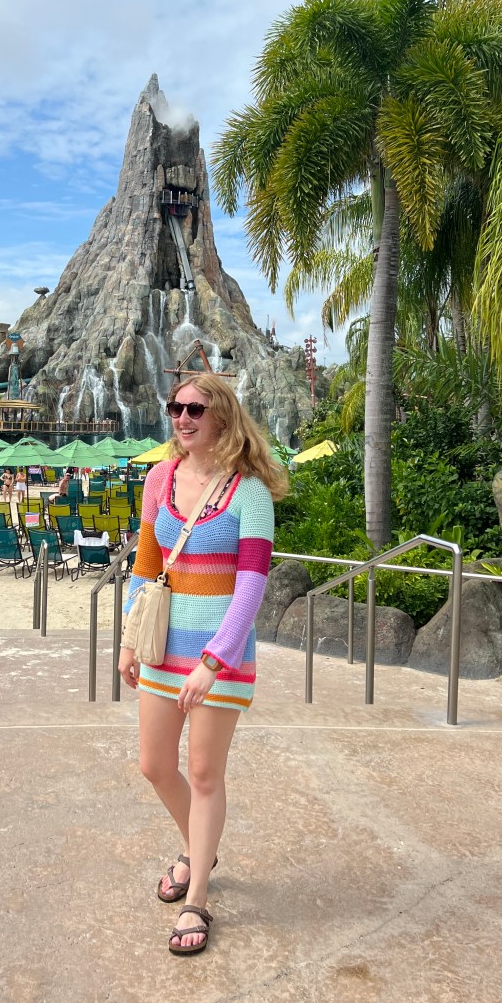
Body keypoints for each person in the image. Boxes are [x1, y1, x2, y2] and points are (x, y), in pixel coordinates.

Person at [118, 373, 287, 956]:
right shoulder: (158, 478)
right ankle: (199, 844)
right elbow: (145, 563)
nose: (182, 418)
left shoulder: (250, 494)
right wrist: (128, 639)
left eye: (195, 408)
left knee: (207, 773)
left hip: (220, 658)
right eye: (175, 408)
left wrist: (213, 662)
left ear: (223, 417)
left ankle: (198, 900)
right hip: (163, 649)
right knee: (154, 765)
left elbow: (251, 587)